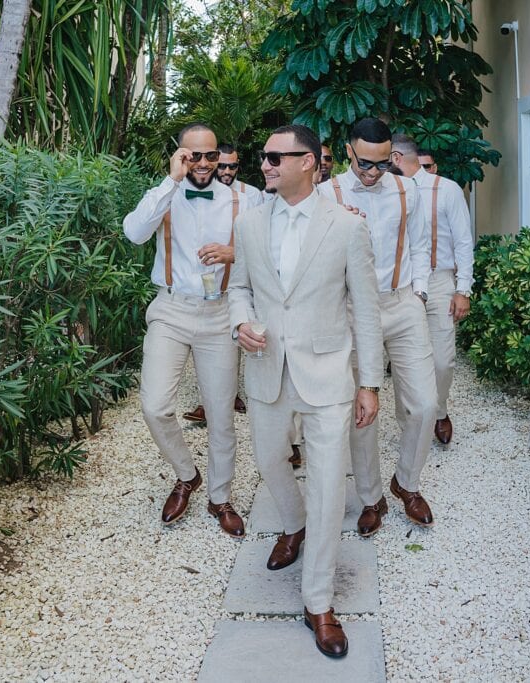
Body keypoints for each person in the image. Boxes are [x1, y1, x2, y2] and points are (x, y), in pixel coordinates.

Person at [229, 124, 383, 659]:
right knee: (270, 461)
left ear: (311, 162)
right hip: (267, 368)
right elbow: (240, 289)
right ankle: (292, 526)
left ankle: (318, 601)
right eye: (264, 157)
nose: (265, 164)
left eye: (276, 156)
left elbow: (365, 309)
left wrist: (369, 382)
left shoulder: (346, 227)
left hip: (328, 374)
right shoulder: (247, 224)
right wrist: (240, 324)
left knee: (326, 485)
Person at [122, 123, 252, 539]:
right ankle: (186, 474)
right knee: (155, 404)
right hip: (172, 308)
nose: (202, 163)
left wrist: (235, 252)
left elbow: (275, 248)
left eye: (210, 155)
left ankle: (220, 496)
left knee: (220, 415)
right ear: (179, 155)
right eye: (192, 155)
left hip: (220, 315)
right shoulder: (164, 195)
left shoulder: (241, 200)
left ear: (221, 158)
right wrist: (169, 181)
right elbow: (134, 232)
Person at [319, 118, 438, 536]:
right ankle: (371, 496)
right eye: (365, 164)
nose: (373, 173)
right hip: (353, 311)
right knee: (362, 412)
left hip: (403, 303)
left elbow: (421, 244)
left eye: (383, 164)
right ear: (348, 152)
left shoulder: (408, 189)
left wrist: (419, 294)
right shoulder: (325, 195)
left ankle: (406, 482)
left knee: (424, 404)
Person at [391, 134, 473, 444]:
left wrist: (462, 288)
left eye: (388, 157)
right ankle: (408, 420)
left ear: (397, 157)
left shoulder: (447, 189)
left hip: (439, 281)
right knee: (404, 358)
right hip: (403, 285)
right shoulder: (388, 189)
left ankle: (438, 410)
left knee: (442, 359)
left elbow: (464, 241)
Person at [181, 142, 266, 425]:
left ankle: (239, 397)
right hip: (205, 289)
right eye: (223, 165)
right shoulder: (192, 192)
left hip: (240, 283)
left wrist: (234, 254)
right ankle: (216, 400)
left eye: (233, 166)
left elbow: (264, 241)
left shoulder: (251, 196)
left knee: (245, 340)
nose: (227, 170)